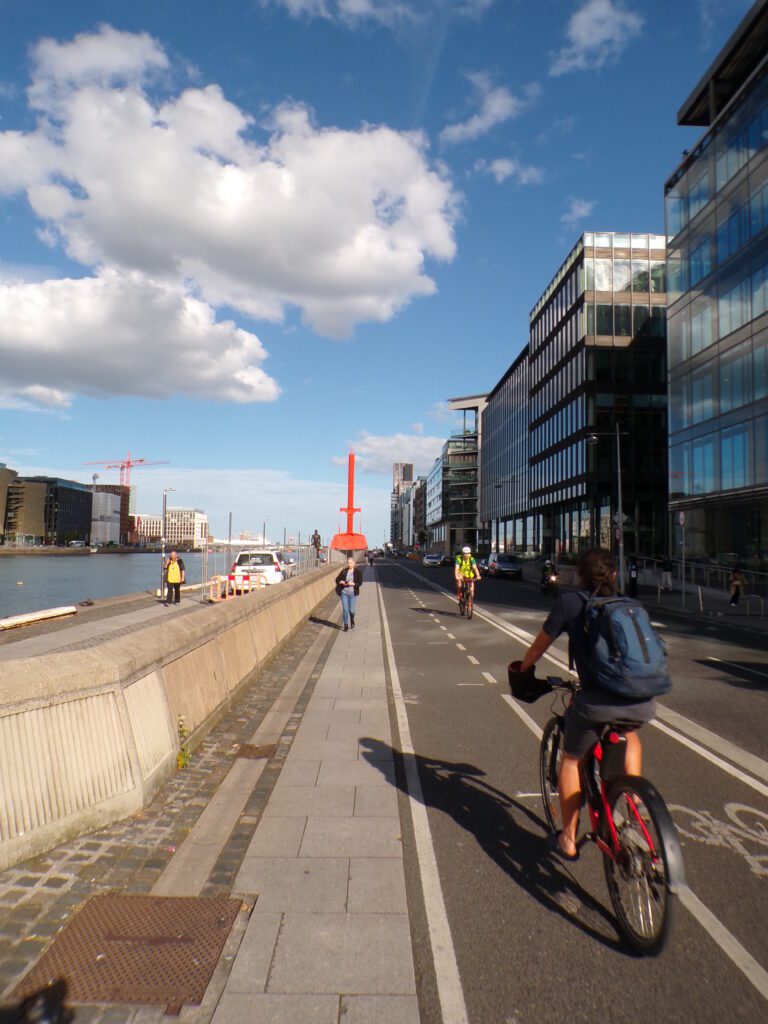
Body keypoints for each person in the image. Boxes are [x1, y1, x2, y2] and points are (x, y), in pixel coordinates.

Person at [517, 548, 656, 861]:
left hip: (595, 702)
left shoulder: (570, 603)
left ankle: (567, 836)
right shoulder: (629, 605)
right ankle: (634, 805)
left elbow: (540, 646)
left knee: (571, 759)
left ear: (578, 575)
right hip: (639, 699)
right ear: (614, 576)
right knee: (629, 733)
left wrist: (523, 669)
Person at [335, 556, 363, 631]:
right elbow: (337, 579)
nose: (349, 564)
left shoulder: (358, 572)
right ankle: (346, 625)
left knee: (352, 611)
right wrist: (340, 581)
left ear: (354, 563)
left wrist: (353, 583)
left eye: (351, 563)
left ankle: (352, 618)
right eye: (348, 563)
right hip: (344, 593)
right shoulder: (344, 571)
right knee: (345, 610)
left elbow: (359, 583)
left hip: (352, 594)